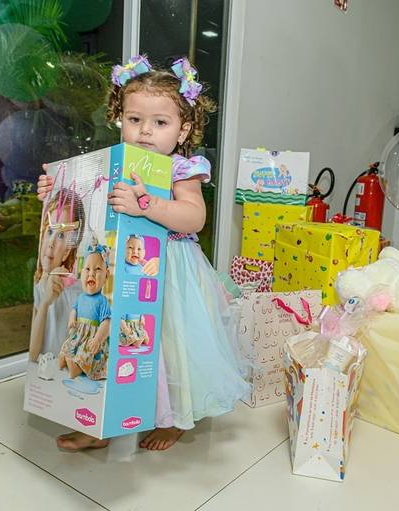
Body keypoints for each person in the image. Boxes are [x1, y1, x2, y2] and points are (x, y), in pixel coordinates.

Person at [38, 55, 249, 451]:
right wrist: (56, 191)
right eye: (135, 119)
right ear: (120, 119)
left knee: (168, 349)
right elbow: (86, 204)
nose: (145, 131)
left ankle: (173, 419)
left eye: (160, 122)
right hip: (117, 268)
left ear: (184, 129)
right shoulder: (113, 163)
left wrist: (147, 205)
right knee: (107, 343)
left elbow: (194, 217)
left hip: (168, 272)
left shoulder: (181, 169)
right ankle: (99, 421)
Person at [28, 190, 85, 362]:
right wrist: (45, 303)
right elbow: (32, 355)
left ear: (68, 250)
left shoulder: (79, 293)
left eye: (60, 235)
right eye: (50, 231)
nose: (51, 243)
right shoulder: (38, 287)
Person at [58, 245, 111, 380]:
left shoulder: (102, 301)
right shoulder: (81, 297)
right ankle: (66, 360)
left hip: (92, 338)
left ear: (106, 275)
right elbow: (74, 309)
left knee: (86, 352)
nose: (91, 273)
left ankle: (76, 368)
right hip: (79, 334)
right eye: (87, 269)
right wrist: (72, 318)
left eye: (97, 269)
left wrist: (98, 340)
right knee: (67, 346)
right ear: (81, 274)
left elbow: (107, 322)